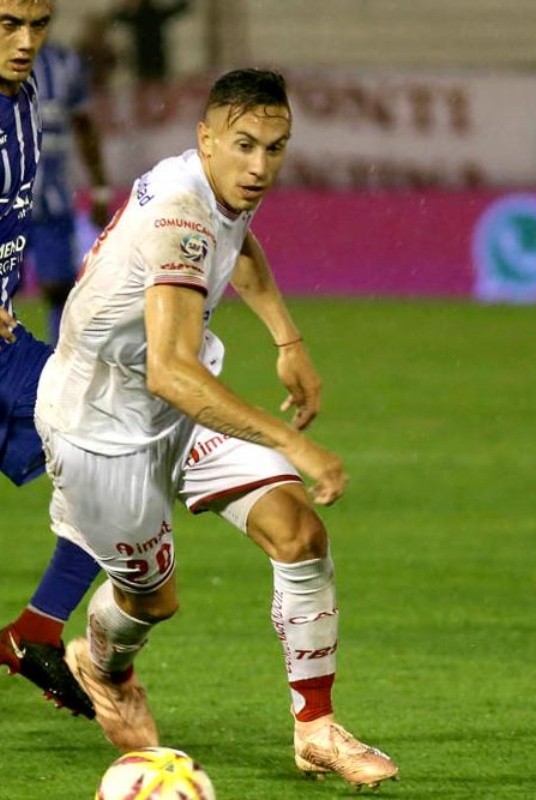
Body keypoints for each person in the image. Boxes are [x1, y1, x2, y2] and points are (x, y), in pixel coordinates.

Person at [35, 67, 398, 790]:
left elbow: (243, 248)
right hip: (102, 428)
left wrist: (287, 340)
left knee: (299, 534)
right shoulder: (178, 209)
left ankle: (317, 731)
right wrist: (290, 441)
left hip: (176, 405)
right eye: (244, 146)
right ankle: (101, 663)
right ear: (205, 139)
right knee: (152, 600)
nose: (260, 167)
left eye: (275, 147)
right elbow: (171, 370)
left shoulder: (218, 188)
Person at [0, 0, 97, 720]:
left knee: (119, 460)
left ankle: (34, 631)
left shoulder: (28, 96)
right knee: (124, 435)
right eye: (8, 23)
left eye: (39, 23)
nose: (28, 41)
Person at [29, 40, 111, 344]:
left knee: (59, 288)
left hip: (53, 200)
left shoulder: (66, 63)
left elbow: (85, 126)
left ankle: (59, 371)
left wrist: (100, 190)